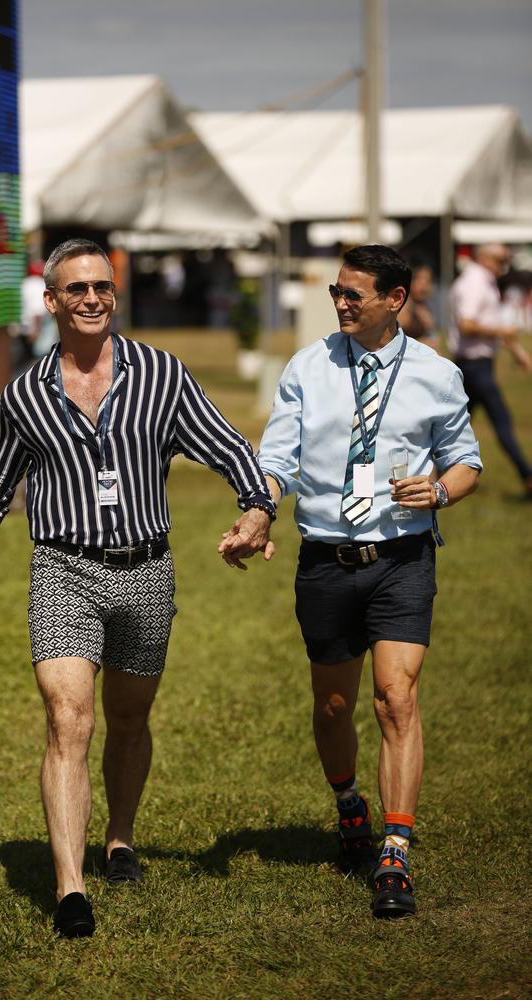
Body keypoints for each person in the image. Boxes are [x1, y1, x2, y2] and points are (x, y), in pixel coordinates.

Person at [0, 238, 276, 939]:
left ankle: (119, 836)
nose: (92, 298)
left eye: (102, 287)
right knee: (68, 720)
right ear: (51, 300)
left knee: (129, 718)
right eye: (77, 289)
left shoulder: (161, 374)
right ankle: (70, 887)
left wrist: (256, 506)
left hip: (148, 570)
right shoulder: (25, 392)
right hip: (64, 568)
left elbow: (228, 445)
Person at [219, 244, 482, 918]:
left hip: (402, 559)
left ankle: (395, 849)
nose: (339, 303)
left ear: (395, 300)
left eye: (353, 294)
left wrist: (441, 493)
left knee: (396, 699)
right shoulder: (308, 367)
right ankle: (348, 806)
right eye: (337, 291)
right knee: (334, 705)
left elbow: (466, 462)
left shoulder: (437, 374)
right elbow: (276, 454)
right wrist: (258, 509)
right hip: (326, 563)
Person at [449, 243, 532, 498]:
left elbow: (489, 322)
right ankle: (528, 476)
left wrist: (517, 352)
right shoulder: (474, 283)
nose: (504, 265)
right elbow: (467, 324)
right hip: (473, 365)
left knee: (453, 427)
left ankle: (433, 477)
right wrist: (502, 333)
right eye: (500, 259)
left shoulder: (484, 282)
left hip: (478, 364)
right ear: (484, 258)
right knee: (501, 420)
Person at [399, 263, 439, 349]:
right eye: (420, 280)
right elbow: (393, 342)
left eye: (428, 281)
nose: (424, 286)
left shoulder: (425, 305)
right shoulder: (404, 306)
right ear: (411, 282)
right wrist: (420, 343)